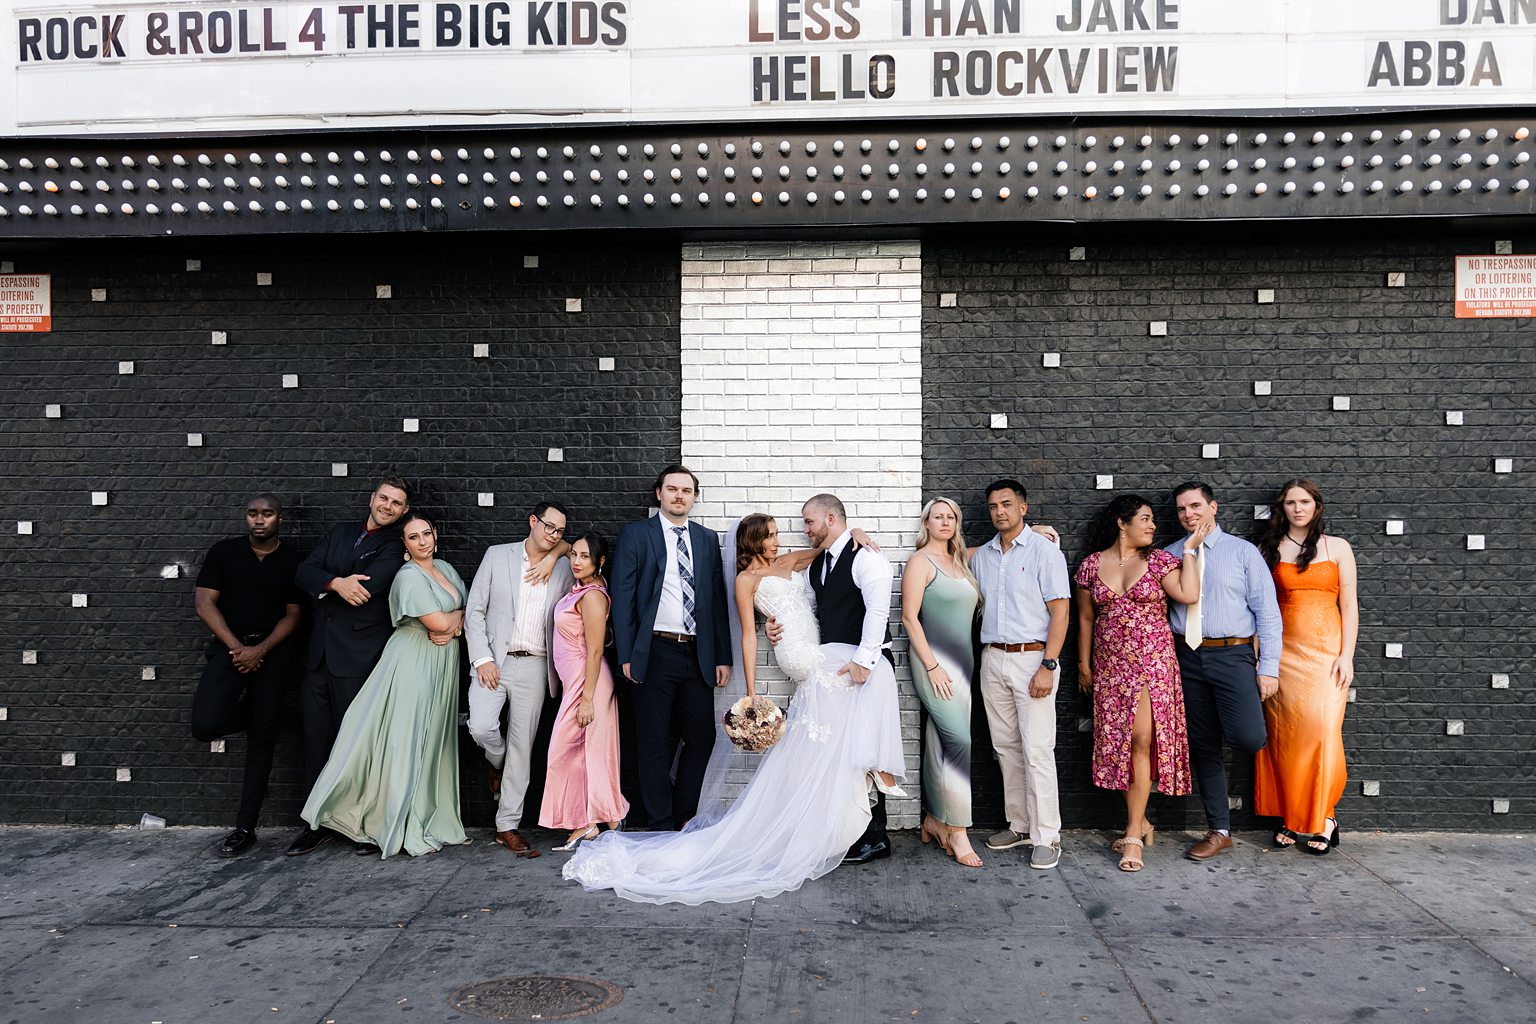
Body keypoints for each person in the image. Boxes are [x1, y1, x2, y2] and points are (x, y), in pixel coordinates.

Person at [563, 512, 894, 903]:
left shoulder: (789, 562)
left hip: (820, 650)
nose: (777, 540)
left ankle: (840, 825)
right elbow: (750, 636)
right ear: (751, 541)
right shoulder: (745, 580)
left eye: (777, 534)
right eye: (769, 536)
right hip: (804, 657)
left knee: (826, 744)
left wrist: (855, 531)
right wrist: (752, 693)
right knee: (837, 737)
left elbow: (825, 545)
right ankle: (856, 825)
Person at [302, 512, 470, 858]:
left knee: (431, 740)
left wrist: (456, 622)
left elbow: (467, 611)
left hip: (441, 663)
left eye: (426, 533)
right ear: (405, 544)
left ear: (435, 534)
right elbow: (438, 622)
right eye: (414, 537)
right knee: (405, 741)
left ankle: (424, 814)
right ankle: (387, 820)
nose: (423, 541)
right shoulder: (407, 577)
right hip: (412, 662)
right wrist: (455, 622)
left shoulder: (447, 570)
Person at [1074, 495, 1203, 872]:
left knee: (1142, 740)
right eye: (1144, 519)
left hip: (1152, 664)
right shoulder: (1091, 567)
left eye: (1152, 520)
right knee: (1123, 745)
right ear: (1121, 522)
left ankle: (1132, 833)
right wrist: (1084, 664)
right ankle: (1143, 821)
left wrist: (1191, 551)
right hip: (1111, 667)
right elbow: (1085, 620)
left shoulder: (1160, 561)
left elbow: (1189, 595)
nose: (1152, 526)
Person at [288, 476, 414, 856]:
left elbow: (368, 588)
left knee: (356, 744)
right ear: (372, 498)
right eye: (384, 498)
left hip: (358, 658)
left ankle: (357, 824)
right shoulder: (340, 532)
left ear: (404, 511)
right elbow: (302, 572)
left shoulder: (395, 545)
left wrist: (332, 584)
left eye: (397, 503)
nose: (388, 506)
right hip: (317, 657)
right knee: (315, 740)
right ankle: (315, 822)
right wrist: (334, 582)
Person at [609, 466, 733, 831]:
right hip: (655, 650)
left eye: (687, 491)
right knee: (653, 738)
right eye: (672, 489)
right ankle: (660, 818)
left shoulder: (707, 539)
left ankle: (685, 815)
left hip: (697, 653)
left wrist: (722, 655)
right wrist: (628, 654)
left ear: (694, 497)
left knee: (702, 736)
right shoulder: (636, 535)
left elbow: (715, 602)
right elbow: (623, 598)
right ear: (659, 493)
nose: (680, 496)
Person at [1165, 482, 1283, 861]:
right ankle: (1219, 829)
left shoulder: (1243, 553)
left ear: (1213, 507)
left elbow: (1267, 614)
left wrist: (1268, 669)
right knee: (1203, 746)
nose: (1189, 515)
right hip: (1187, 657)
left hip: (1233, 656)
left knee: (1248, 737)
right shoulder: (1169, 555)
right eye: (1182, 509)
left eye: (1196, 506)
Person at [191, 494, 305, 858]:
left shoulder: (292, 560)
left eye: (267, 514)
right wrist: (238, 649)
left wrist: (261, 650)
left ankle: (245, 827)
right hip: (229, 653)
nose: (259, 520)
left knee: (262, 742)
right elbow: (203, 603)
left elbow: (294, 614)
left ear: (280, 519)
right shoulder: (224, 552)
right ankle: (261, 715)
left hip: (271, 656)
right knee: (205, 723)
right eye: (253, 513)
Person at [970, 480, 1071, 870]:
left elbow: (1060, 613)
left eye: (1007, 504)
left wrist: (1049, 665)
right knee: (1005, 748)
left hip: (1034, 659)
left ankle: (1048, 835)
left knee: (1038, 749)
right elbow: (948, 554)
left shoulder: (1046, 553)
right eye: (993, 506)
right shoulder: (984, 556)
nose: (1000, 511)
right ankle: (1020, 824)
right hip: (993, 658)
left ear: (1023, 508)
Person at [464, 501, 574, 858]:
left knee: (523, 748)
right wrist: (482, 658)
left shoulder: (563, 568)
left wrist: (555, 554)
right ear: (532, 521)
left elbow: (578, 552)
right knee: (480, 727)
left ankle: (506, 825)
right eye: (548, 527)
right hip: (494, 660)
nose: (553, 534)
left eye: (559, 531)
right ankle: (496, 762)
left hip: (536, 666)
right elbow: (475, 610)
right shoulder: (497, 556)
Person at [1254, 479, 1358, 855]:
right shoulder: (1269, 548)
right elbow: (1260, 607)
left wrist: (1346, 655)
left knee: (1322, 733)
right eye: (1290, 503)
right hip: (1283, 655)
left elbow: (1350, 606)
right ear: (1282, 509)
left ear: (1316, 505)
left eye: (1304, 501)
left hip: (1327, 654)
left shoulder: (1339, 548)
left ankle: (1324, 817)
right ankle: (1293, 817)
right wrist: (1260, 657)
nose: (1298, 508)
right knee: (1286, 737)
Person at [901, 497, 984, 869]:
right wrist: (932, 666)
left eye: (952, 516)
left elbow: (991, 547)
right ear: (927, 523)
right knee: (959, 741)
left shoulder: (961, 562)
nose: (945, 522)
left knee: (940, 742)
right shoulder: (920, 562)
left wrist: (1040, 532)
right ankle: (958, 829)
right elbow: (908, 618)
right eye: (938, 517)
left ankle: (934, 820)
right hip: (932, 663)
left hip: (964, 665)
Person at [540, 533, 629, 851]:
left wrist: (588, 698)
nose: (576, 561)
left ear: (600, 562)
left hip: (586, 681)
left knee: (567, 750)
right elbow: (562, 547)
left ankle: (585, 822)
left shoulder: (592, 595)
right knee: (585, 750)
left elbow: (594, 651)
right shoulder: (579, 587)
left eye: (584, 557)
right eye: (574, 555)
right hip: (575, 682)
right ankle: (603, 817)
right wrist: (557, 554)